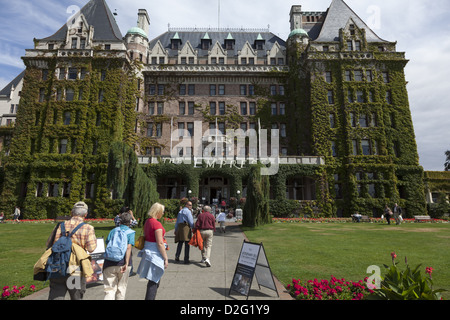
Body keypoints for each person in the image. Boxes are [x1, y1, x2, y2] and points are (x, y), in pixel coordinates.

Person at [48, 201, 97, 300]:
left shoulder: (60, 226)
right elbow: (91, 249)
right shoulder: (88, 228)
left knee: (56, 295)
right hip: (75, 268)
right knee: (76, 295)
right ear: (85, 215)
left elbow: (49, 244)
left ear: (71, 213)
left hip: (58, 266)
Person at [136, 202, 168, 300]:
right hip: (155, 253)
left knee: (154, 279)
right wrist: (166, 258)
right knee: (154, 280)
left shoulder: (148, 221)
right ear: (157, 212)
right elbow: (160, 243)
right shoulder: (156, 224)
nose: (163, 214)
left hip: (148, 251)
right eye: (162, 212)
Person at [103, 212, 135, 300]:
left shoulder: (113, 231)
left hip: (109, 262)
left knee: (109, 289)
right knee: (121, 288)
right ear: (130, 222)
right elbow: (129, 248)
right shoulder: (131, 232)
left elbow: (107, 243)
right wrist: (127, 263)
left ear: (120, 221)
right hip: (123, 263)